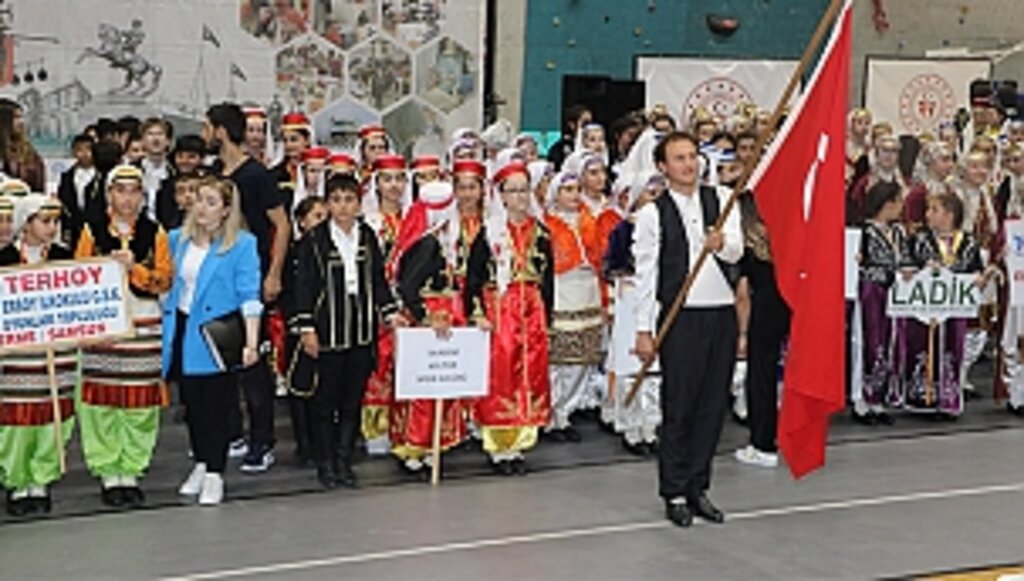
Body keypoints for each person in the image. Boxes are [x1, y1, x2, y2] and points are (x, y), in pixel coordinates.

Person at [633, 132, 743, 528]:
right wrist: (644, 329)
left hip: (721, 314)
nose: (688, 164)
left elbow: (738, 250)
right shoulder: (652, 213)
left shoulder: (723, 199)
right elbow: (646, 274)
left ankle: (699, 486)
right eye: (679, 158)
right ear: (663, 167)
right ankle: (674, 490)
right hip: (681, 318)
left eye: (693, 156)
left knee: (713, 407)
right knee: (679, 405)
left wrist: (721, 244)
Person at [293, 174, 402, 488]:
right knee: (324, 402)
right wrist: (306, 328)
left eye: (349, 200)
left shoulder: (367, 236)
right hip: (327, 332)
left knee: (352, 401)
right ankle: (326, 462)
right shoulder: (314, 240)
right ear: (328, 203)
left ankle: (344, 459)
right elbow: (304, 286)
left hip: (361, 333)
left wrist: (390, 313)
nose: (343, 207)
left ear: (359, 203)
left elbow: (377, 281)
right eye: (336, 200)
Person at [74, 165, 173, 508]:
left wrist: (135, 269)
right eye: (121, 190)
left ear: (142, 196)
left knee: (139, 401)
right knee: (101, 400)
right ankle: (107, 469)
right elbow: (78, 276)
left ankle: (131, 468)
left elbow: (164, 279)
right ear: (109, 194)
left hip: (143, 322)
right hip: (104, 325)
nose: (127, 199)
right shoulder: (92, 230)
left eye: (134, 191)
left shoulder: (154, 231)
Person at [164, 176, 263, 506]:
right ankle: (201, 461)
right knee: (191, 404)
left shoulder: (242, 245)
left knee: (217, 405)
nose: (201, 208)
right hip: (182, 328)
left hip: (216, 335)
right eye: (198, 200)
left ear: (225, 210)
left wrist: (251, 342)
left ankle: (215, 472)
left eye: (210, 202)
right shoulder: (176, 240)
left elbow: (249, 294)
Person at [204, 102, 291, 473]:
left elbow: (282, 225)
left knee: (253, 363)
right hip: (215, 279)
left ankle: (262, 441)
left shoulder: (256, 175)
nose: (205, 134)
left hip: (249, 276)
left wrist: (273, 273)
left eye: (208, 127)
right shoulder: (212, 173)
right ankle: (231, 434)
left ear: (221, 130)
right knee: (220, 359)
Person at [465, 162, 554, 475]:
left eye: (524, 190)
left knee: (530, 373)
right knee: (502, 374)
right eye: (513, 191)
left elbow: (549, 280)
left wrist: (548, 319)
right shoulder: (489, 233)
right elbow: (473, 279)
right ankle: (499, 445)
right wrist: (477, 313)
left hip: (532, 309)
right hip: (500, 309)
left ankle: (520, 441)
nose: (520, 197)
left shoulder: (541, 232)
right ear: (501, 196)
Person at [0, 194, 74, 517]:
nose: (52, 228)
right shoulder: (4, 259)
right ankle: (17, 481)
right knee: (17, 419)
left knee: (52, 416)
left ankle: (42, 479)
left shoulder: (64, 258)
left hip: (58, 353)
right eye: (45, 221)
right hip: (17, 354)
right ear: (26, 223)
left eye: (55, 221)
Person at [389, 181, 468, 477]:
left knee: (437, 387)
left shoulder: (440, 240)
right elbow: (408, 287)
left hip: (443, 317)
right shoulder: (427, 245)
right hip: (428, 320)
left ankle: (429, 444)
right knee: (423, 391)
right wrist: (424, 316)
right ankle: (414, 446)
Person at [898, 193, 985, 418]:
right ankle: (922, 397)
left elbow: (976, 269)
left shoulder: (968, 242)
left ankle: (948, 399)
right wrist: (913, 271)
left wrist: (978, 278)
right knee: (922, 348)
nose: (927, 215)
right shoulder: (919, 239)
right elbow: (905, 263)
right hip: (923, 311)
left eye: (934, 210)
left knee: (951, 350)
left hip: (953, 310)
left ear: (949, 214)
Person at [604, 171, 665, 456]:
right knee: (631, 365)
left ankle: (651, 427)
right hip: (631, 300)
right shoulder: (623, 229)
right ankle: (631, 428)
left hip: (659, 299)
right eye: (651, 193)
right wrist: (625, 278)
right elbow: (611, 265)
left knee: (655, 370)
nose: (657, 198)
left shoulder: (667, 225)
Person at [544, 170, 604, 442]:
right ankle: (553, 416)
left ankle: (567, 410)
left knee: (583, 358)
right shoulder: (546, 224)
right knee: (560, 360)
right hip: (562, 292)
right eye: (567, 189)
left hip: (588, 292)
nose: (574, 195)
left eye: (577, 189)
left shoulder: (590, 220)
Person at [360, 153, 408, 454]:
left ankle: (404, 426)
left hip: (407, 303)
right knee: (378, 365)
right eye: (387, 179)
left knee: (404, 364)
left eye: (399, 179)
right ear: (376, 184)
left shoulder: (414, 219)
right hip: (376, 303)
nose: (394, 186)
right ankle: (375, 427)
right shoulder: (367, 222)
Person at [853, 181, 906, 426]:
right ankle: (861, 400)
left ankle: (878, 399)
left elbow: (904, 259)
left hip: (893, 295)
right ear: (887, 203)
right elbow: (858, 267)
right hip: (870, 294)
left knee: (888, 343)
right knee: (867, 342)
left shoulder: (899, 231)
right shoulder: (863, 232)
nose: (902, 206)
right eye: (898, 201)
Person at [282, 195, 327, 466]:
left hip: (329, 329)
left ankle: (324, 444)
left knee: (325, 391)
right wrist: (299, 325)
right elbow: (289, 292)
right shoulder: (294, 253)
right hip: (299, 330)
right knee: (301, 388)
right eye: (317, 216)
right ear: (301, 221)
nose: (323, 221)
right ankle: (305, 444)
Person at [57, 133, 105, 248]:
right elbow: (64, 203)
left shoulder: (102, 176)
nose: (84, 154)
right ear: (73, 152)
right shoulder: (67, 177)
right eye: (79, 150)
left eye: (88, 149)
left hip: (98, 229)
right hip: (75, 228)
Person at [156, 135, 207, 230]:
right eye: (180, 156)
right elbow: (165, 219)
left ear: (202, 159)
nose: (184, 161)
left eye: (191, 157)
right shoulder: (166, 186)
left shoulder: (211, 184)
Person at [0, 99, 45, 192]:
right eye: (16, 117)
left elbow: (38, 188)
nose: (21, 122)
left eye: (21, 117)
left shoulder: (28, 152)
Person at [271, 112, 313, 211]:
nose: (288, 145)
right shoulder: (274, 175)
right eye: (285, 140)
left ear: (307, 140)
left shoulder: (318, 171)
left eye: (294, 140)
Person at [140, 118, 175, 223]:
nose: (156, 139)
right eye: (150, 134)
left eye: (160, 134)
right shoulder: (132, 170)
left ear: (168, 141)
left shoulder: (174, 171)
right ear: (142, 141)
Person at [547, 104, 592, 170]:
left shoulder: (598, 146)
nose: (590, 127)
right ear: (572, 125)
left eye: (591, 123)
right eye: (585, 123)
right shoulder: (559, 148)